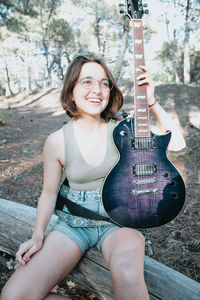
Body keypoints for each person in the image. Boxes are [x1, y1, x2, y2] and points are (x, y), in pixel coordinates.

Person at [1, 55, 186, 300]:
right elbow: (48, 192)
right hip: (74, 224)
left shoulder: (125, 128)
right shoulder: (57, 141)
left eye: (104, 83)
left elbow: (178, 143)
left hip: (121, 221)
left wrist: (151, 101)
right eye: (86, 82)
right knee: (14, 296)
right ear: (71, 89)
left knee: (130, 277)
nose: (97, 90)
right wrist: (38, 235)